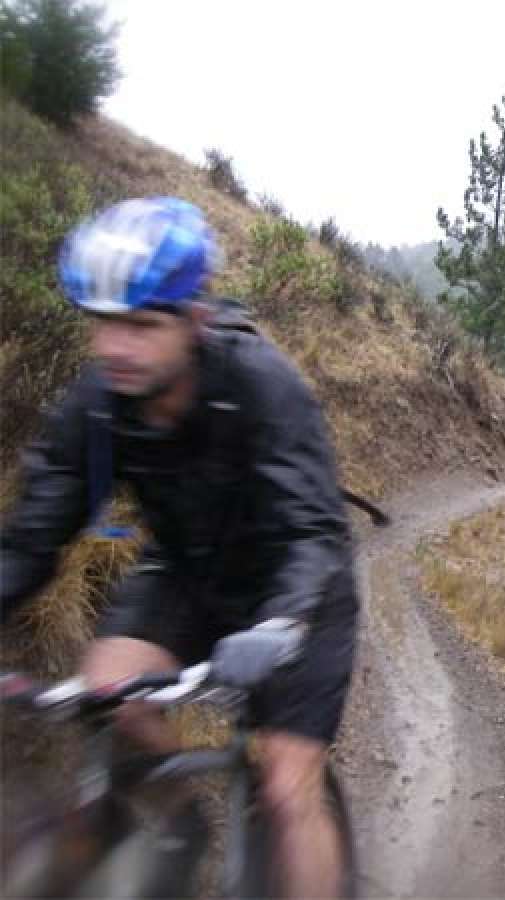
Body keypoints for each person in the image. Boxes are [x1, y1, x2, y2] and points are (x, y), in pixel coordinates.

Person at [0, 197, 358, 898]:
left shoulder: (262, 385)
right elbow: (33, 535)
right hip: (186, 569)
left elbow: (313, 532)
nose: (113, 348)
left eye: (140, 324)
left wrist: (280, 625)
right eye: (101, 322)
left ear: (194, 320)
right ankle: (180, 822)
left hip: (295, 586)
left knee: (288, 786)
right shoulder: (98, 401)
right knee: (114, 694)